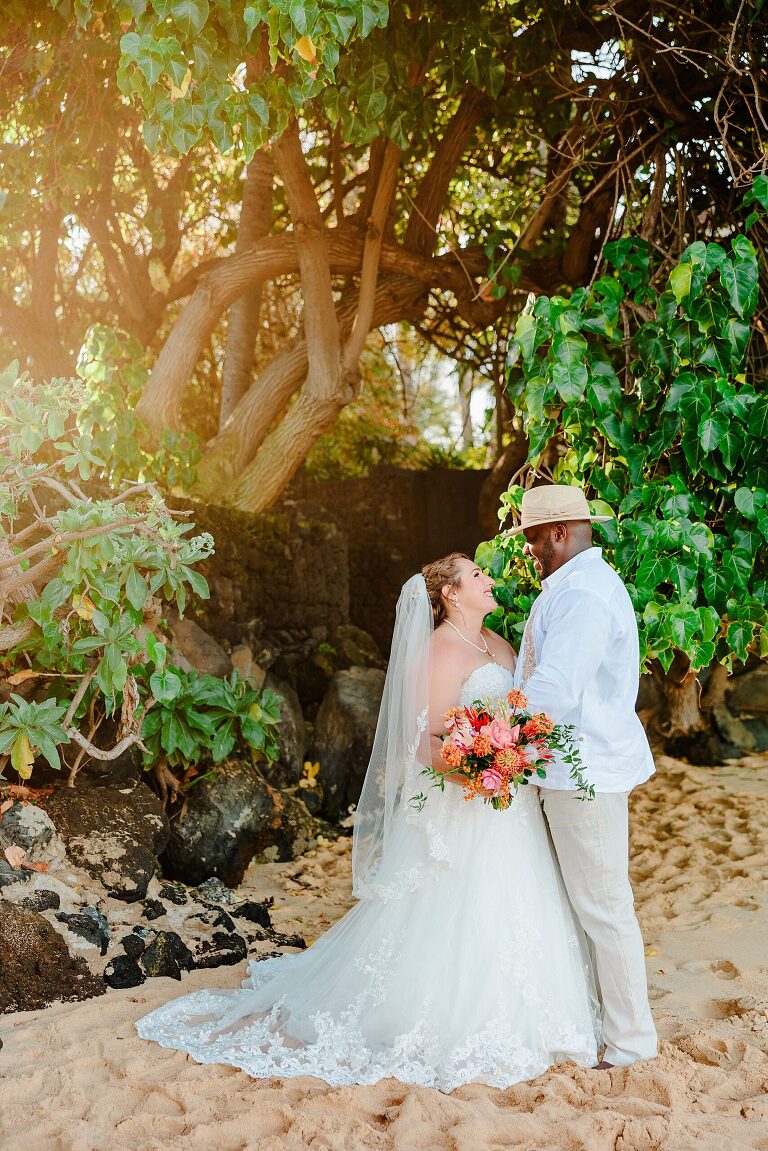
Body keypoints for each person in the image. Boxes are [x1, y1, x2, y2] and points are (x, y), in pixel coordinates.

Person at [135, 554, 600, 1091]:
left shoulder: (498, 644)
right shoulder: (438, 651)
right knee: (458, 907)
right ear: (451, 593)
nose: (489, 579)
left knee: (519, 898)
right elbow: (423, 742)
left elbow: (518, 713)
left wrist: (516, 754)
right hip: (464, 800)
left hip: (509, 805)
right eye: (477, 575)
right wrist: (481, 769)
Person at [505, 483, 657, 1069]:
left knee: (604, 908)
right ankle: (602, 1025)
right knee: (586, 907)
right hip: (567, 768)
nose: (529, 550)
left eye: (534, 539)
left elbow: (555, 688)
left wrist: (497, 733)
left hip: (583, 772)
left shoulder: (585, 595)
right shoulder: (572, 587)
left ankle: (631, 1045)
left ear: (560, 532)